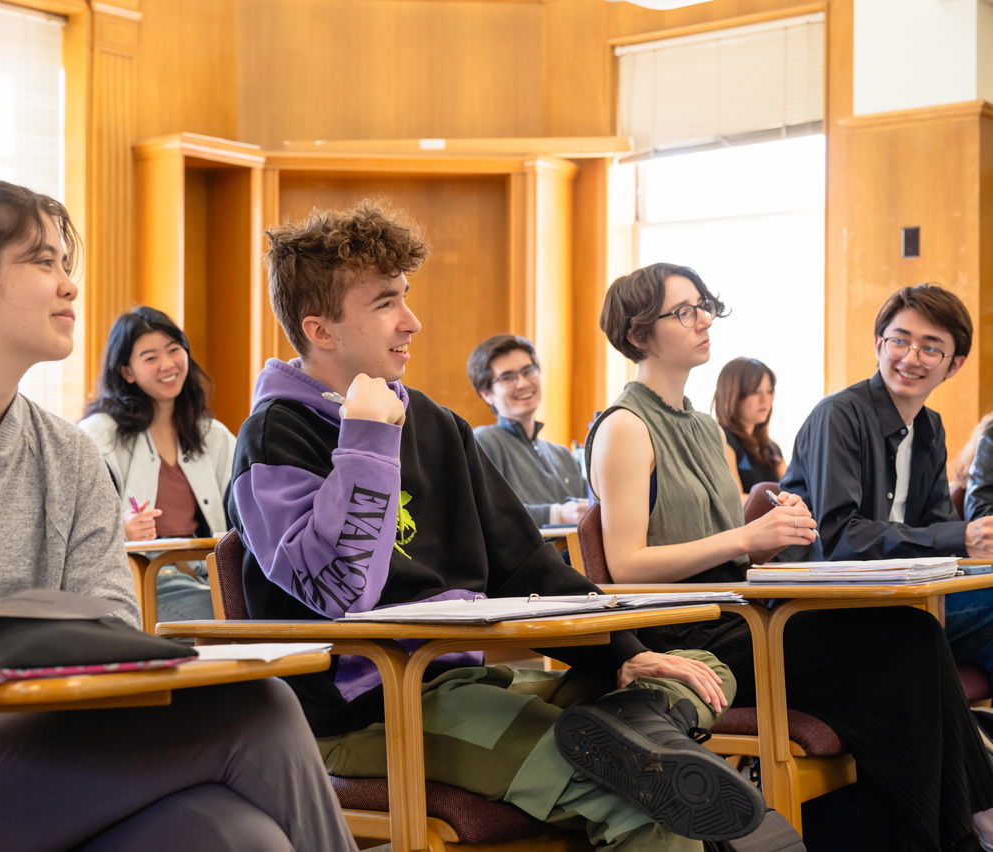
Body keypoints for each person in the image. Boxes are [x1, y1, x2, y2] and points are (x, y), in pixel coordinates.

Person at [227, 202, 795, 851]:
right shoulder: (277, 433)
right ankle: (635, 751)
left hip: (458, 681)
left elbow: (525, 565)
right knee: (648, 808)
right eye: (386, 303)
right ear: (320, 330)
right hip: (370, 710)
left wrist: (626, 654)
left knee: (693, 666)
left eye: (405, 298)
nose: (411, 321)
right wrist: (363, 438)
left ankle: (633, 733)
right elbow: (338, 588)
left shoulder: (437, 425)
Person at [0, 178, 356, 852]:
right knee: (259, 708)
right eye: (42, 262)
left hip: (40, 755)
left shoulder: (67, 453)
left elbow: (112, 637)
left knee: (239, 837)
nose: (69, 285)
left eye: (66, 264)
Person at [587, 261, 993, 852]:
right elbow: (624, 567)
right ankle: (955, 830)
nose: (704, 320)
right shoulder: (625, 426)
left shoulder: (708, 431)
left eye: (705, 306)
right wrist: (745, 541)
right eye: (684, 311)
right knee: (903, 646)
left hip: (738, 616)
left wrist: (769, 543)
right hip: (687, 638)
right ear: (637, 333)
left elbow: (730, 557)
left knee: (913, 639)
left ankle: (946, 831)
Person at [780, 284, 993, 684]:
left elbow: (940, 533)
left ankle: (963, 735)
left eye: (931, 348)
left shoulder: (931, 428)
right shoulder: (837, 416)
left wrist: (966, 544)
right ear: (879, 343)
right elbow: (841, 539)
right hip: (824, 607)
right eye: (900, 340)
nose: (910, 358)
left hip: (904, 600)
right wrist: (962, 536)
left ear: (955, 365)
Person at [80, 306, 236, 621]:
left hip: (207, 575)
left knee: (252, 607)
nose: (167, 365)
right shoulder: (99, 435)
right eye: (150, 358)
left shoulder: (213, 435)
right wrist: (123, 530)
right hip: (146, 579)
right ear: (127, 372)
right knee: (226, 615)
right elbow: (79, 530)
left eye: (174, 350)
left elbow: (242, 516)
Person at [467, 333, 589, 526]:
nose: (523, 383)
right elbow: (482, 512)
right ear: (487, 394)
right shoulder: (481, 443)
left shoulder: (563, 456)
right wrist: (556, 514)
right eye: (507, 377)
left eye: (528, 371)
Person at [710, 357, 786, 495]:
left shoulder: (771, 448)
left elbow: (792, 492)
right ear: (733, 394)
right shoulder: (722, 439)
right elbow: (734, 501)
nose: (765, 399)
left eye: (769, 391)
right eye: (755, 392)